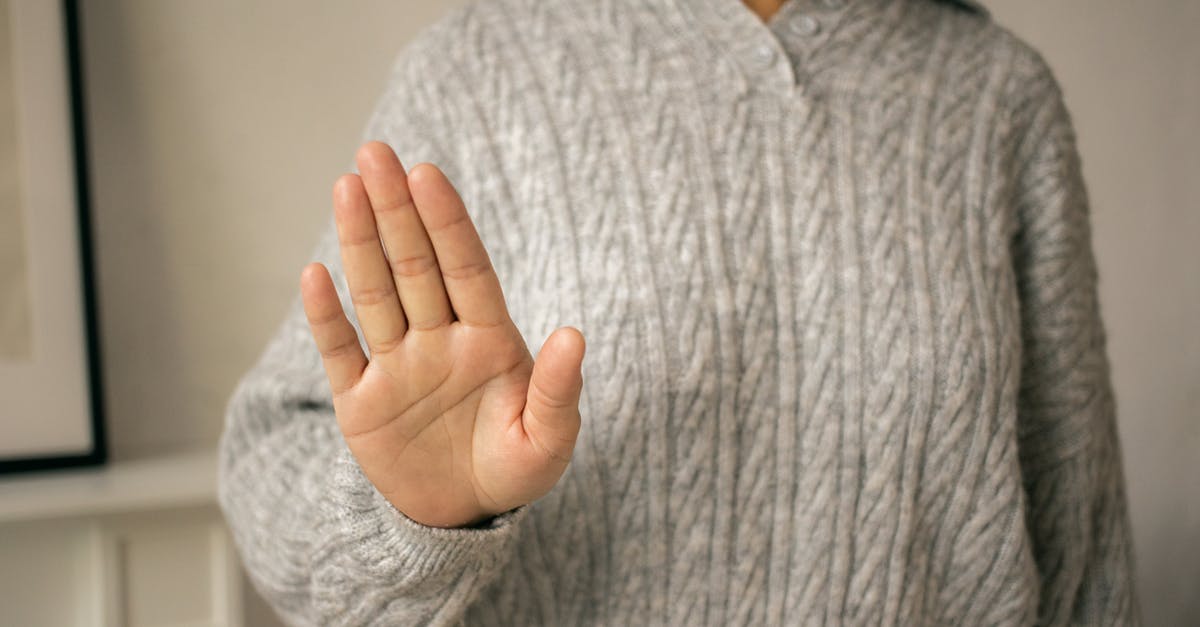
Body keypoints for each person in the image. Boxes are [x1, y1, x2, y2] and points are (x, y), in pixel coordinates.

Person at [217, 0, 1141, 624]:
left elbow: (1081, 542)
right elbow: (269, 455)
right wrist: (412, 517)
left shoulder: (998, 99)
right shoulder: (488, 63)